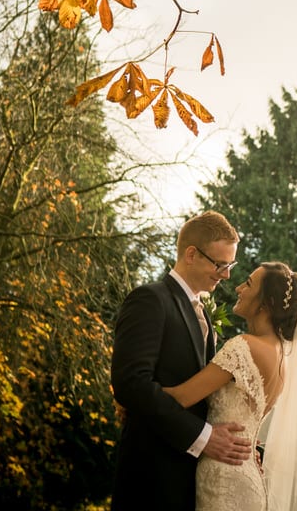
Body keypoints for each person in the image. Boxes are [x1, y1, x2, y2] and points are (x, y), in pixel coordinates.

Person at [164, 262, 297, 511]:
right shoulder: (282, 356)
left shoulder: (243, 347)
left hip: (224, 478)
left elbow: (181, 397)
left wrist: (130, 396)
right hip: (245, 473)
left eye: (247, 283)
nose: (237, 288)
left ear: (265, 303)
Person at [111, 210, 254, 511]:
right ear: (191, 254)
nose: (227, 274)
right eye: (220, 264)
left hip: (193, 482)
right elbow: (130, 384)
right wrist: (203, 437)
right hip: (151, 479)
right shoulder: (151, 300)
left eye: (231, 265)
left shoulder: (202, 310)